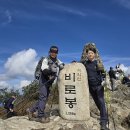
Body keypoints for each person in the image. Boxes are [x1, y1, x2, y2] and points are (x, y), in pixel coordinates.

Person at [27, 45, 64, 123]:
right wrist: (51, 73)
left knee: (44, 98)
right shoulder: (45, 59)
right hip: (44, 80)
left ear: (57, 53)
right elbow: (44, 69)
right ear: (49, 52)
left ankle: (31, 110)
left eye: (55, 52)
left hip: (49, 82)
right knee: (43, 97)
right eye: (52, 52)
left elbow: (62, 65)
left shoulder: (58, 61)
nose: (53, 53)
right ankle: (40, 115)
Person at [81, 48, 109, 130]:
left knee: (101, 101)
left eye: (91, 53)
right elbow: (80, 67)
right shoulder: (85, 64)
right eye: (89, 53)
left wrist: (104, 81)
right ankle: (104, 116)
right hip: (91, 87)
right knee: (97, 103)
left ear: (94, 54)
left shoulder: (98, 63)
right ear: (87, 55)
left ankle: (103, 123)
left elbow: (103, 73)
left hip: (99, 86)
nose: (90, 54)